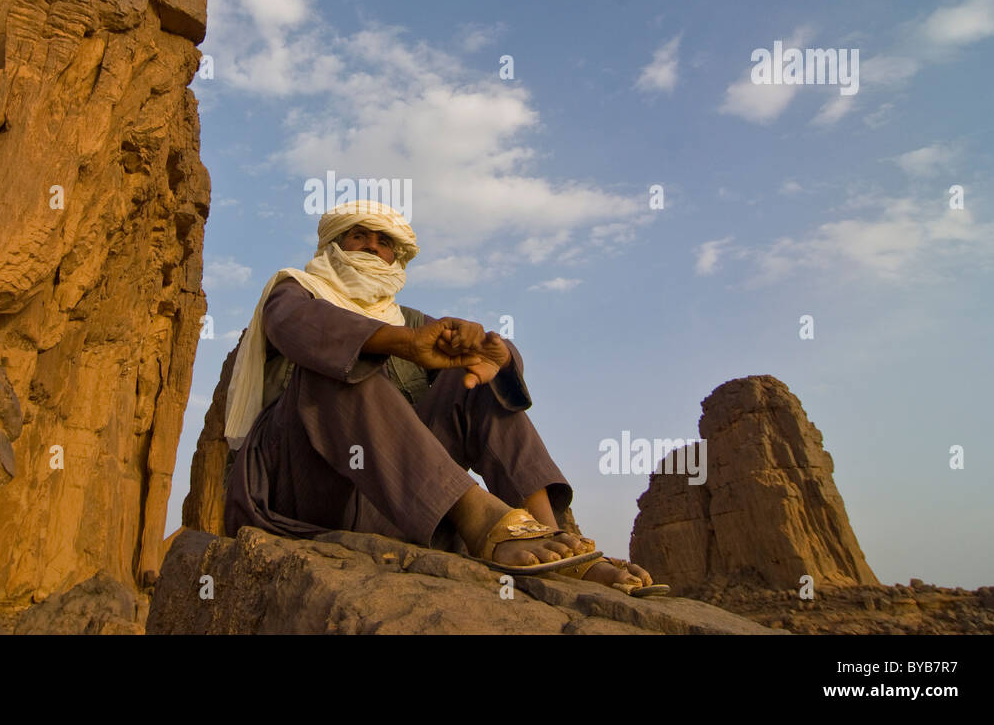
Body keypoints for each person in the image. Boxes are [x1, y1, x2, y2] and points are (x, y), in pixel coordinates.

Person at [223, 199, 665, 590]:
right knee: (334, 366)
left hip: (394, 502)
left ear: (397, 256)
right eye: (359, 236)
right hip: (307, 493)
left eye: (384, 241)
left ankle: (554, 542)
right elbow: (293, 325)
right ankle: (482, 518)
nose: (373, 246)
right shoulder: (295, 290)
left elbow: (477, 361)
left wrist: (500, 356)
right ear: (333, 245)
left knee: (471, 379)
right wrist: (400, 344)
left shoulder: (409, 318)